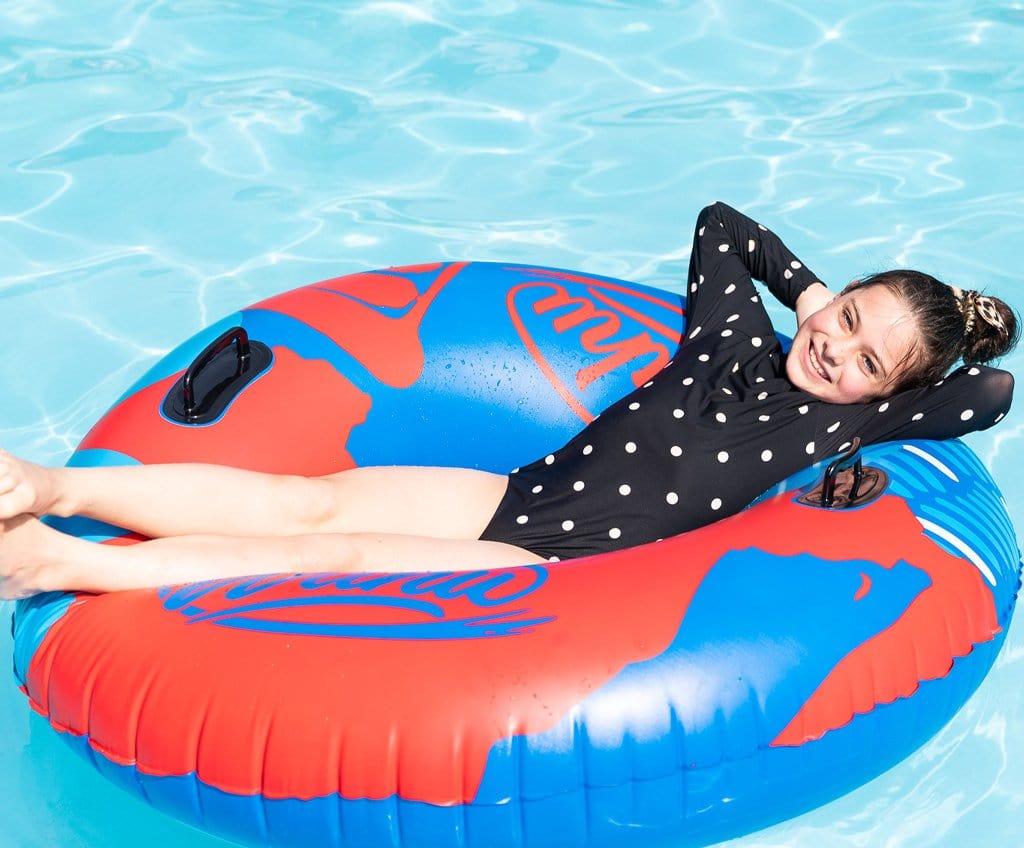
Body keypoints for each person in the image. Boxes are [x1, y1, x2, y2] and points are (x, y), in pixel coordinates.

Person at [0, 203, 1016, 598]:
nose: (835, 351)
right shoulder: (735, 334)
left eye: (869, 361)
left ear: (889, 394)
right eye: (844, 320)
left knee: (332, 553)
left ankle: (58, 562)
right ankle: (48, 483)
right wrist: (806, 290)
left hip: (543, 557)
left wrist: (909, 364)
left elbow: (991, 390)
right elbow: (718, 226)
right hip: (510, 491)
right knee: (308, 501)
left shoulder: (852, 418)